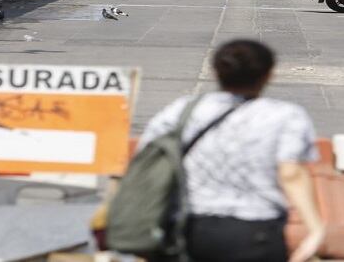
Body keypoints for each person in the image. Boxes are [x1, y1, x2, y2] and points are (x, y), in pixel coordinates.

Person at [138, 39, 325, 262]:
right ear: (269, 74)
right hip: (255, 232)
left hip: (187, 229)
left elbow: (144, 162)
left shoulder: (182, 110)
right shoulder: (286, 116)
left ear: (215, 71)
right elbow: (291, 174)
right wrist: (315, 229)